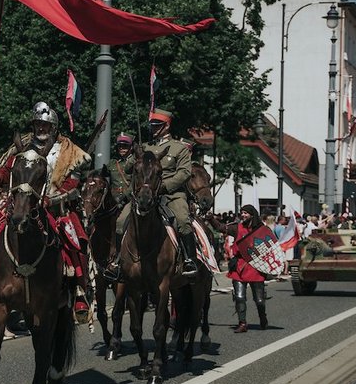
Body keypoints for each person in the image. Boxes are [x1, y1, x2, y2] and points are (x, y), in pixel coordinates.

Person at [0, 101, 93, 321]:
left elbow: (73, 183)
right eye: (37, 124)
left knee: (74, 239)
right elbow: (5, 174)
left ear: (53, 127)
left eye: (45, 125)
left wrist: (51, 198)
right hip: (20, 204)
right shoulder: (21, 148)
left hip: (55, 208)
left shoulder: (67, 150)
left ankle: (79, 291)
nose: (40, 129)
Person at [106, 108, 198, 280]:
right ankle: (118, 262)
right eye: (152, 125)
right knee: (120, 221)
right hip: (144, 195)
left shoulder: (179, 148)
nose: (154, 128)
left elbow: (184, 173)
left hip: (170, 194)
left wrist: (164, 186)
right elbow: (128, 168)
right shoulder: (146, 146)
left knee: (183, 220)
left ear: (167, 126)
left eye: (158, 125)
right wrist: (136, 154)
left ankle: (189, 260)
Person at [207, 205, 268, 333]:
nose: (243, 215)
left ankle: (263, 317)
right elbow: (221, 228)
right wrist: (211, 218)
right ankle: (242, 323)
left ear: (252, 214)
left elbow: (269, 246)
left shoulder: (261, 229)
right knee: (239, 297)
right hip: (239, 266)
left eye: (246, 213)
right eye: (242, 213)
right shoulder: (237, 228)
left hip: (256, 267)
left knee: (259, 299)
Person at [108, 133, 134, 203]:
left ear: (131, 147)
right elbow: (100, 174)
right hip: (114, 201)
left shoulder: (136, 162)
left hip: (131, 200)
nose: (121, 148)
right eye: (119, 145)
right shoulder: (112, 163)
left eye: (125, 146)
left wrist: (126, 194)